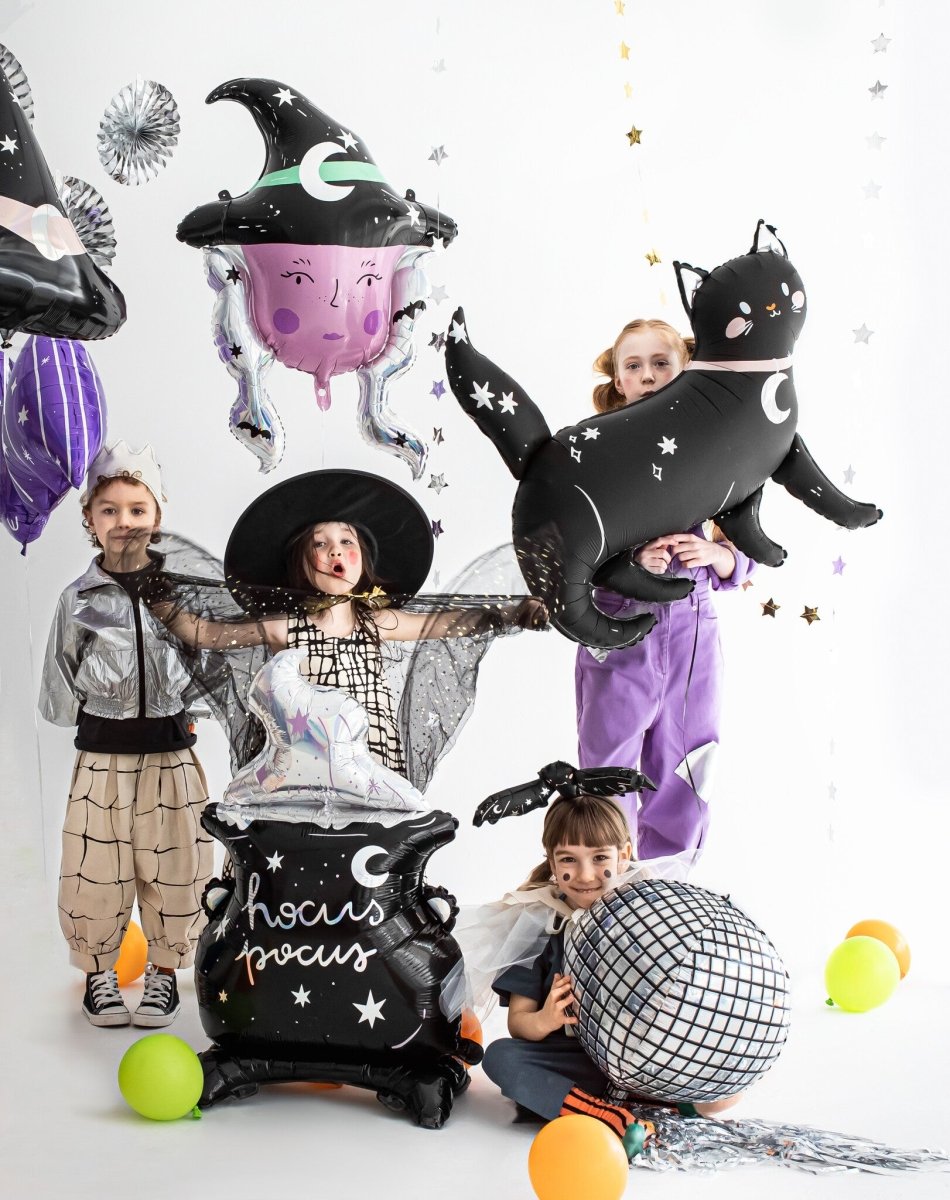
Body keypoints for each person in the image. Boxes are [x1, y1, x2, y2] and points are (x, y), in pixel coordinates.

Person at [164, 469, 546, 786]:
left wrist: (511, 614)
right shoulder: (284, 627)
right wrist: (156, 596)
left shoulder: (376, 622)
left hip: (374, 768)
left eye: (346, 541)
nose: (335, 550)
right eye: (320, 544)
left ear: (362, 558)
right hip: (305, 771)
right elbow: (205, 634)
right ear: (300, 563)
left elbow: (444, 624)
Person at [40, 442, 211, 1028]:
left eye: (137, 509)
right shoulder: (78, 599)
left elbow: (211, 668)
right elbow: (59, 682)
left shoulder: (183, 593)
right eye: (109, 509)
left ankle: (163, 974)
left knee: (179, 866)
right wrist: (86, 711)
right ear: (89, 518)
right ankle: (99, 975)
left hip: (172, 754)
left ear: (157, 516)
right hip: (102, 759)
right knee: (95, 870)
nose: (124, 521)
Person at [475, 787, 740, 1157]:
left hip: (637, 1056)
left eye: (599, 857)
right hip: (574, 1063)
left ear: (623, 855)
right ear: (552, 862)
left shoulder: (644, 917)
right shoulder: (538, 925)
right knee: (501, 1057)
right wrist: (547, 1019)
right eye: (569, 859)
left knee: (724, 1095)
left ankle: (641, 1095)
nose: (585, 875)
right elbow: (519, 1024)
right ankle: (610, 1118)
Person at [576, 319, 756, 861]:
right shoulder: (594, 451)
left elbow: (751, 544)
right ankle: (604, 880)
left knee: (687, 758)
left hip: (691, 634)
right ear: (618, 380)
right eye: (634, 366)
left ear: (686, 370)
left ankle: (672, 882)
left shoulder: (719, 451)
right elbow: (570, 549)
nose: (649, 376)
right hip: (616, 630)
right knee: (607, 761)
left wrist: (718, 556)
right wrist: (627, 565)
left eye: (662, 363)